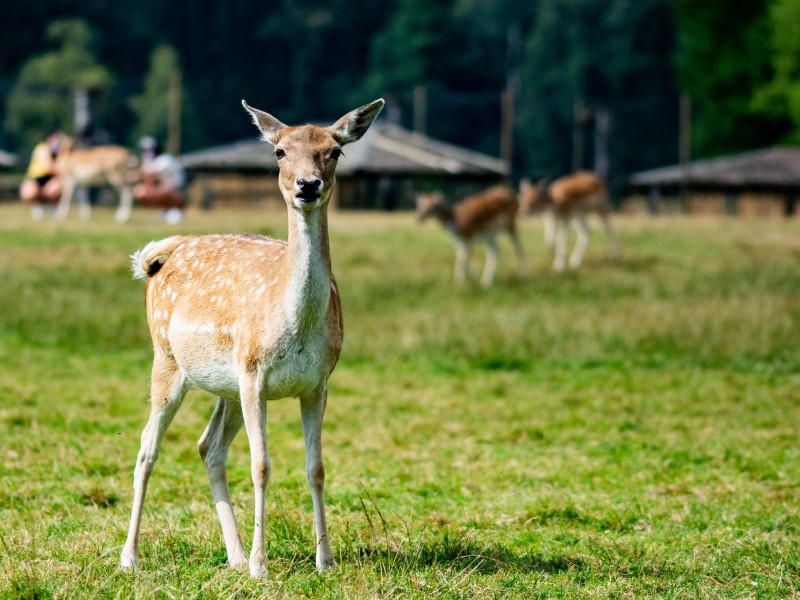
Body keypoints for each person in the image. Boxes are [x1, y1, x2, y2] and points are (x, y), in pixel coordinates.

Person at [133, 137, 186, 224]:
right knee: (142, 189)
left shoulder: (164, 160)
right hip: (169, 190)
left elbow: (149, 174)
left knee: (141, 191)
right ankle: (165, 209)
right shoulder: (156, 161)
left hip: (176, 191)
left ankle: (170, 208)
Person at [19, 131, 63, 220]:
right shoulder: (42, 148)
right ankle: (37, 207)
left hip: (51, 179)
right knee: (29, 192)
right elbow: (49, 166)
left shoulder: (61, 151)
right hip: (35, 179)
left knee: (57, 187)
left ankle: (52, 208)